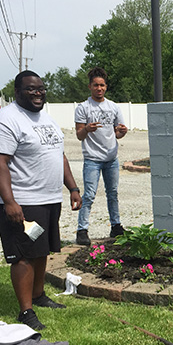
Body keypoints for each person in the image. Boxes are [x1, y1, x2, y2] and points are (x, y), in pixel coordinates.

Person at [0, 70, 82, 330]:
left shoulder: (46, 120)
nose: (37, 92)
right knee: (24, 255)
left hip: (47, 199)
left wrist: (72, 187)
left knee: (41, 250)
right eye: (30, 89)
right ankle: (25, 311)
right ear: (17, 92)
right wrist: (9, 201)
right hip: (22, 200)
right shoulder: (5, 120)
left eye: (40, 88)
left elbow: (59, 156)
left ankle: (38, 296)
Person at [74, 67, 128, 245]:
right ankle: (82, 230)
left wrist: (122, 132)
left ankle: (116, 226)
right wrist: (87, 129)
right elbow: (79, 134)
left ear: (106, 87)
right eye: (96, 85)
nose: (99, 88)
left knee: (112, 193)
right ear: (90, 87)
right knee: (89, 194)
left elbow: (117, 133)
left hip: (111, 158)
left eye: (102, 85)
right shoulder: (83, 108)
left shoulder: (113, 107)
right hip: (92, 159)